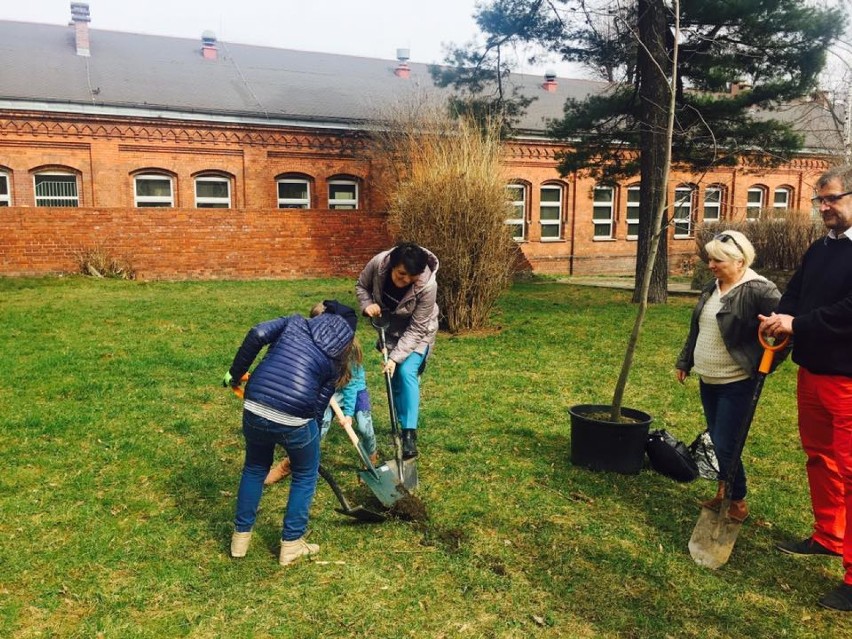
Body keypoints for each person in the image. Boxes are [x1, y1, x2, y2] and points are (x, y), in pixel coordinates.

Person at [759, 165, 852, 612]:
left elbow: (847, 311)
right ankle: (828, 535)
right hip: (812, 372)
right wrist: (780, 319)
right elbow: (795, 294)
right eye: (819, 200)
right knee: (819, 457)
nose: (824, 208)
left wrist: (799, 323)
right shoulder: (819, 250)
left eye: (831, 198)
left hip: (848, 379)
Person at [223, 300, 357, 567]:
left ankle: (240, 541)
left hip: (256, 404)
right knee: (306, 473)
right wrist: (310, 443)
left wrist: (235, 373)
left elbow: (257, 334)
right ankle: (291, 546)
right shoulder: (335, 362)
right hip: (296, 419)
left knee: (254, 467)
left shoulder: (294, 322)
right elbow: (319, 407)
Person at [676, 230, 783, 523]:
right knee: (717, 436)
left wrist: (764, 364)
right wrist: (685, 360)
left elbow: (786, 330)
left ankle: (738, 501)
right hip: (708, 378)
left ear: (740, 261)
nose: (711, 265)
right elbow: (697, 327)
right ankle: (724, 490)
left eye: (718, 260)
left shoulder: (760, 290)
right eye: (710, 259)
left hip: (736, 381)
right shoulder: (713, 287)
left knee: (726, 442)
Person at [264, 301, 378, 485]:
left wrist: (348, 414)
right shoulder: (311, 346)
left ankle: (370, 459)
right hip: (328, 393)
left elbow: (350, 386)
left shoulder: (350, 349)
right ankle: (289, 465)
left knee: (365, 427)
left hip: (353, 391)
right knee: (316, 432)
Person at [356, 242, 439, 459]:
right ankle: (400, 425)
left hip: (420, 333)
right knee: (394, 379)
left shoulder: (427, 285)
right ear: (392, 265)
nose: (405, 281)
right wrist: (367, 305)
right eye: (401, 274)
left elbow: (418, 327)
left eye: (411, 277)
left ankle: (409, 434)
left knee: (405, 371)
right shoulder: (378, 264)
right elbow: (361, 286)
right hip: (391, 330)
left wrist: (395, 358)